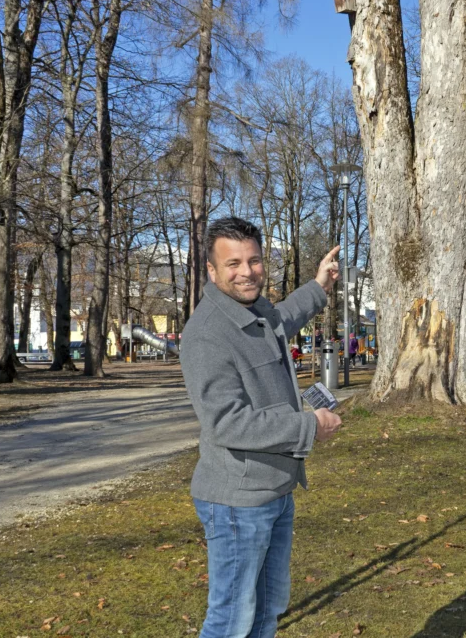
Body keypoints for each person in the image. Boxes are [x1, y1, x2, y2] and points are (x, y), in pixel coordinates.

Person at [181, 217, 343, 638]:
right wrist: (307, 426)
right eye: (233, 263)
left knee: (267, 610)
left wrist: (319, 287)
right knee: (231, 621)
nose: (247, 272)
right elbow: (226, 422)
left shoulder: (253, 312)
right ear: (211, 270)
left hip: (276, 491)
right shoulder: (207, 334)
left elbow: (281, 319)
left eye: (253, 261)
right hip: (238, 502)